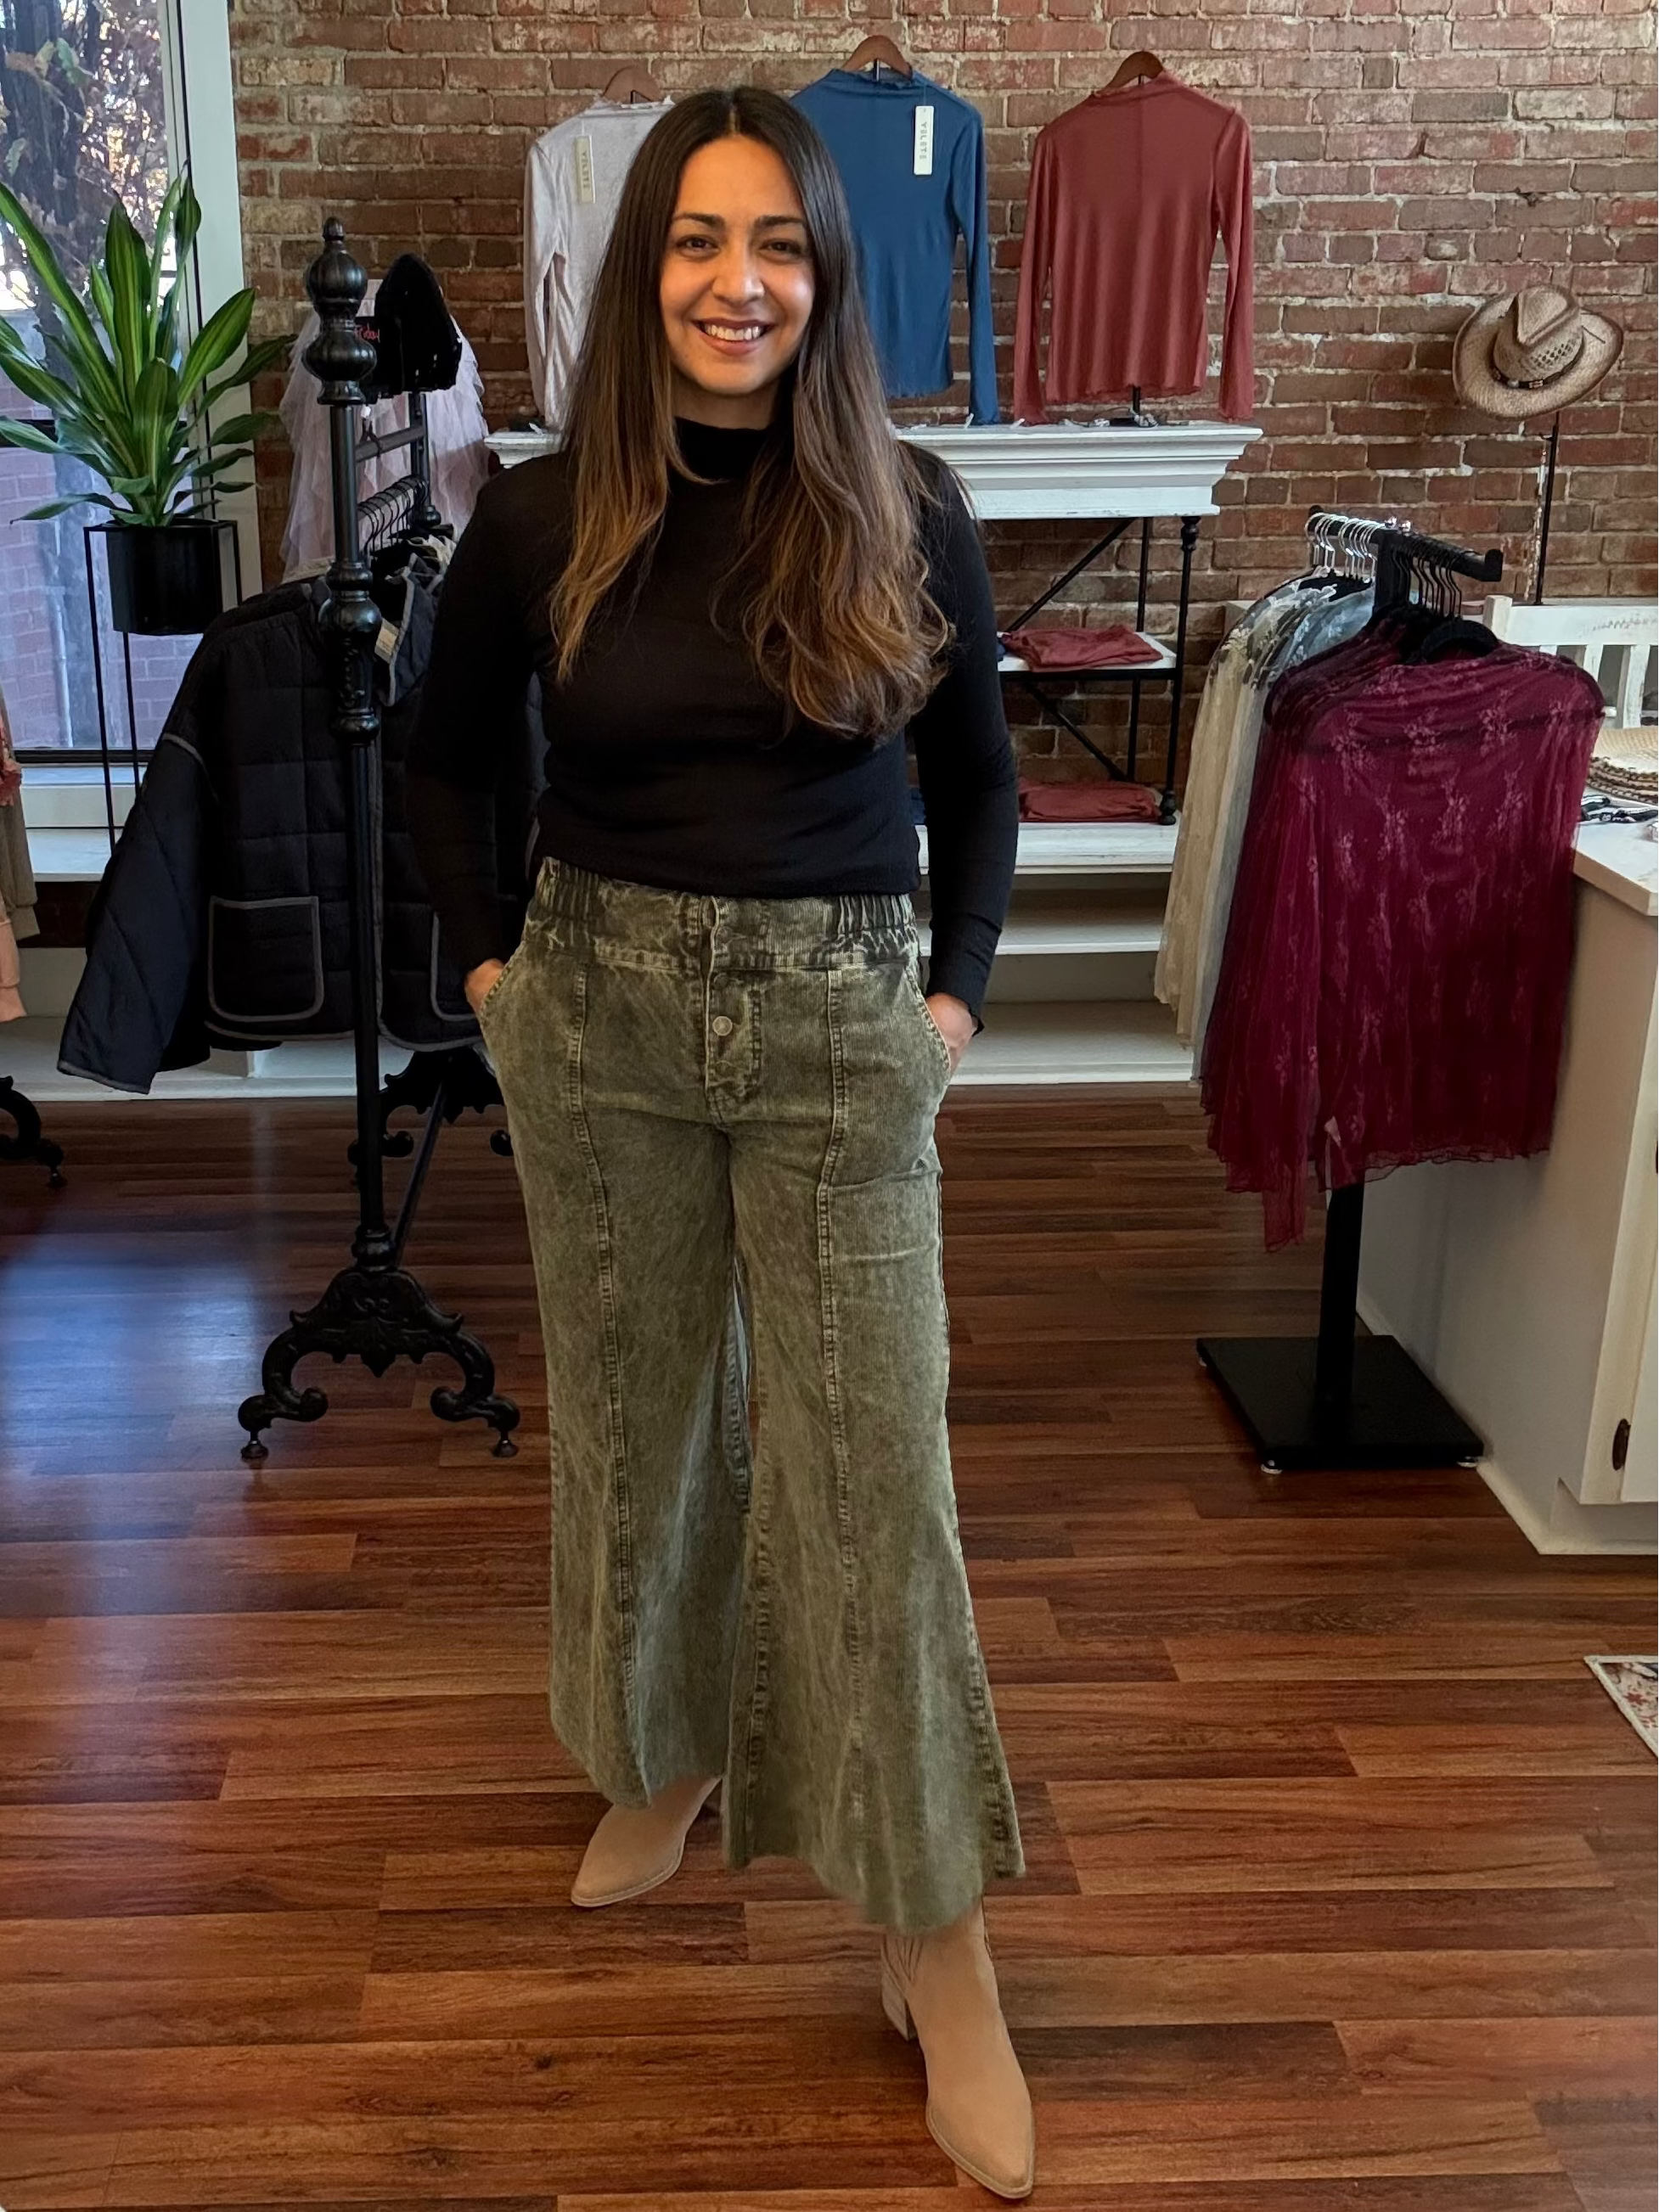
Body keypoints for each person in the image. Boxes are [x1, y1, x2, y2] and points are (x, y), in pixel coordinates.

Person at [407, 84, 1032, 2199]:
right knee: (643, 1426)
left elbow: (982, 782)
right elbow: (435, 758)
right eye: (693, 240)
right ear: (639, 270)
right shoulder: (540, 514)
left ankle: (930, 1941)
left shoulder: (902, 504)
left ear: (822, 278)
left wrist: (948, 1001)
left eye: (772, 243)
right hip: (594, 1016)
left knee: (877, 1473)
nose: (733, 282)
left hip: (842, 1026)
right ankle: (664, 1759)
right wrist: (494, 981)